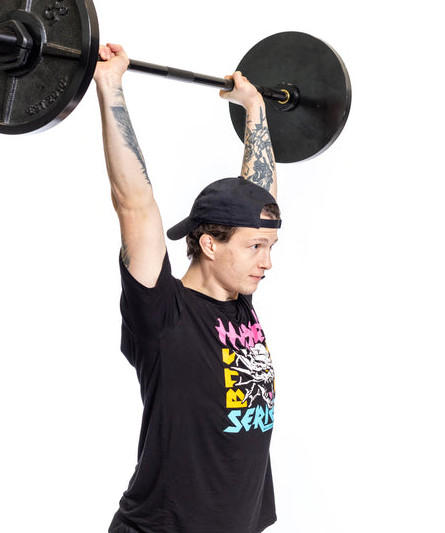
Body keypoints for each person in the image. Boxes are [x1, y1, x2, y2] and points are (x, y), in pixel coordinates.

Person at [94, 43, 281, 533]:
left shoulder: (239, 301)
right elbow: (134, 204)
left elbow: (257, 198)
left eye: (271, 246)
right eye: (257, 247)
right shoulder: (162, 312)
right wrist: (110, 85)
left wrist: (255, 110)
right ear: (209, 245)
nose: (268, 263)